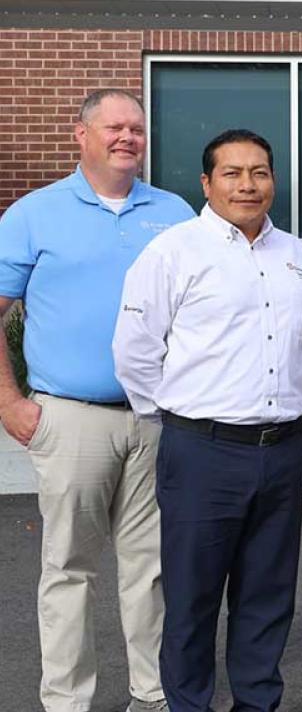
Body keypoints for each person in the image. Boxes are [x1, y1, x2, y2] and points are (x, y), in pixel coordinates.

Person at [0, 89, 193, 712]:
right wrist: (9, 402)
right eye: (113, 127)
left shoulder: (175, 211)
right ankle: (67, 701)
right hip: (70, 417)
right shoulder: (34, 213)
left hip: (157, 419)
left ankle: (153, 694)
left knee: (153, 568)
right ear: (79, 135)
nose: (127, 138)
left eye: (136, 128)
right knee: (69, 568)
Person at [113, 129, 302, 712]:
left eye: (259, 172)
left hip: (282, 448)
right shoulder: (174, 251)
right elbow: (135, 351)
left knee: (267, 594)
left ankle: (257, 703)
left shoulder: (296, 256)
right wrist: (180, 418)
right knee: (193, 596)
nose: (247, 185)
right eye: (232, 173)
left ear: (274, 180)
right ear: (207, 183)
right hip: (201, 448)